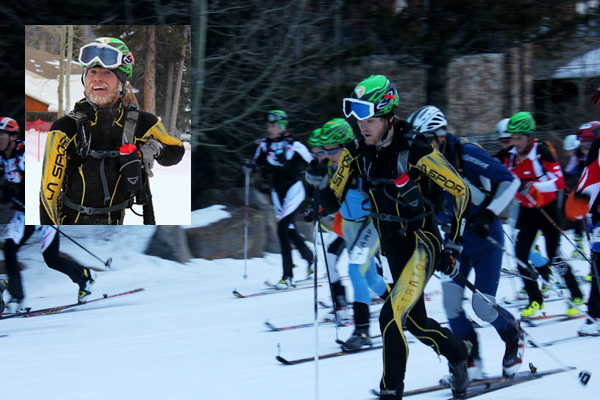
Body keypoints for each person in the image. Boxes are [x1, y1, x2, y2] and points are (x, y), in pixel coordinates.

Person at [306, 75, 471, 399]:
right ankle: (457, 353)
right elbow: (333, 202)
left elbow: (460, 190)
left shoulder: (416, 151)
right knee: (417, 322)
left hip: (423, 241)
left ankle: (390, 391)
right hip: (392, 245)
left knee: (391, 315)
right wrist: (318, 183)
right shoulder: (355, 153)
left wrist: (454, 243)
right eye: (359, 119)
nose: (362, 126)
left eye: (370, 119)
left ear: (388, 116)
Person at [407, 106, 523, 380]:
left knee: (482, 307)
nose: (420, 148)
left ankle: (513, 334)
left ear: (440, 136)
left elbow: (510, 180)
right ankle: (471, 360)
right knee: (450, 305)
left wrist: (488, 214)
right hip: (456, 242)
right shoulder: (425, 164)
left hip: (485, 238)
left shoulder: (466, 153)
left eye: (425, 140)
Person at [39, 37, 185, 225]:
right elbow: (48, 195)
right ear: (85, 78)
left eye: (107, 72)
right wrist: (52, 234)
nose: (97, 78)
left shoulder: (142, 122)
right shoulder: (64, 128)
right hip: (71, 225)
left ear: (122, 81)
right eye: (92, 72)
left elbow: (177, 150)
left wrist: (155, 147)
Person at [306, 118, 388, 350]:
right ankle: (403, 307)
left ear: (346, 145)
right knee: (370, 278)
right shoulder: (332, 166)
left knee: (354, 270)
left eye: (333, 149)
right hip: (351, 227)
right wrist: (317, 204)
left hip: (370, 223)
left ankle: (362, 331)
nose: (328, 154)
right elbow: (331, 202)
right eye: (324, 150)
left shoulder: (361, 162)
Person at [0, 117, 95, 311]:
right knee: (9, 249)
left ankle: (85, 276)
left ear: (13, 136)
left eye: (2, 135)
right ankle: (17, 298)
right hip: (22, 215)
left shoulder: (24, 155)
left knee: (51, 260)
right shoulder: (2, 158)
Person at [507, 111, 583, 317]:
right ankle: (535, 300)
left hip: (547, 209)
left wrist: (534, 187)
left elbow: (558, 182)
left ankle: (576, 294)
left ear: (529, 136)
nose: (515, 142)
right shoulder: (512, 156)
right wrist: (518, 189)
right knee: (520, 255)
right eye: (513, 138)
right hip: (527, 211)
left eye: (519, 138)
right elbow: (511, 182)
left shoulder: (542, 150)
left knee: (553, 256)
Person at [246, 110, 314, 289]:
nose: (270, 129)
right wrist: (249, 168)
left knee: (282, 228)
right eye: (268, 126)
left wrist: (318, 184)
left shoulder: (294, 144)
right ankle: (310, 259)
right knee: (289, 230)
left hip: (294, 189)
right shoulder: (264, 145)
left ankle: (287, 276)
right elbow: (256, 163)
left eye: (273, 126)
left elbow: (313, 163)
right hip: (277, 192)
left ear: (282, 127)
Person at [565, 124, 600, 336]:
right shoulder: (587, 155)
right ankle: (594, 315)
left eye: (588, 143)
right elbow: (584, 179)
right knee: (597, 264)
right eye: (582, 145)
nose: (585, 148)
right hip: (596, 217)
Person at [563, 133, 586, 258]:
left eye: (569, 151)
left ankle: (581, 247)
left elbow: (571, 172)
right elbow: (569, 172)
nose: (568, 154)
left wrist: (566, 182)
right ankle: (579, 246)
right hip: (580, 189)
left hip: (585, 190)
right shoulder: (578, 155)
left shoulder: (579, 155)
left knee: (581, 218)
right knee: (578, 218)